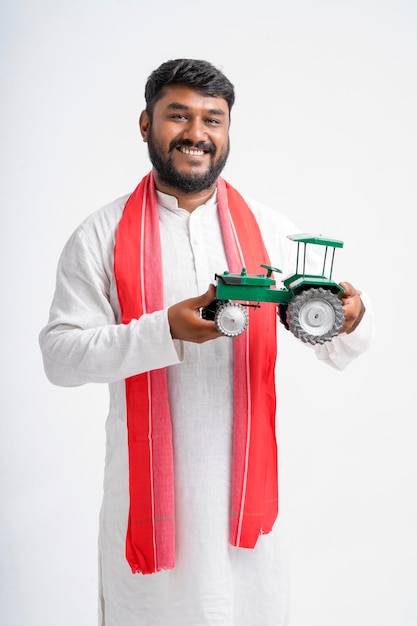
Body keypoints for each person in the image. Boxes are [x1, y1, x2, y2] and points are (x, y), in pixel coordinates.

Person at [39, 58, 375, 626]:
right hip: (145, 518)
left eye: (213, 120)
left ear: (227, 131)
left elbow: (337, 345)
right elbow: (60, 358)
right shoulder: (100, 234)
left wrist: (350, 317)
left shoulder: (269, 229)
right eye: (178, 115)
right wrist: (162, 329)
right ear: (145, 125)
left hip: (247, 521)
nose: (197, 133)